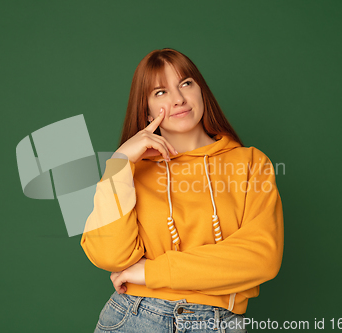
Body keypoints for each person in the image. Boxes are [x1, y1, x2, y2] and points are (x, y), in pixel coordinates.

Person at [80, 48, 284, 333]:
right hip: (136, 317)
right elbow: (110, 256)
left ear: (202, 91)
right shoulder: (132, 170)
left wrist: (149, 272)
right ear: (145, 108)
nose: (178, 100)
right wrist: (119, 162)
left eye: (186, 83)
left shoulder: (250, 163)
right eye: (160, 92)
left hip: (217, 322)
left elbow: (262, 258)